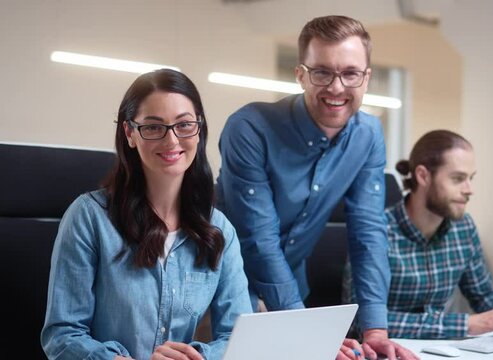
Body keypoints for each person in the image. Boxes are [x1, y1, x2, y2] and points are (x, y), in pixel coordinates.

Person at [217, 15, 417, 360]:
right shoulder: (250, 127)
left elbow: (368, 233)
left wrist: (375, 330)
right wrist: (302, 327)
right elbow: (258, 239)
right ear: (301, 75)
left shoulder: (368, 135)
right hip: (224, 291)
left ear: (366, 78)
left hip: (292, 290)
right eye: (322, 72)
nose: (337, 87)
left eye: (351, 73)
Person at [41, 69, 252, 360]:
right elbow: (62, 335)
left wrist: (198, 357)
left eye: (184, 125)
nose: (172, 140)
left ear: (199, 130)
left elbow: (239, 337)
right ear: (130, 133)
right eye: (153, 127)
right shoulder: (89, 217)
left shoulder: (219, 229)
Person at [345, 129, 493, 339]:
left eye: (471, 178)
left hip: (437, 350)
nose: (469, 189)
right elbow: (362, 321)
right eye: (458, 178)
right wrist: (463, 324)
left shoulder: (463, 228)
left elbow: (483, 295)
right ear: (423, 176)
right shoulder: (375, 231)